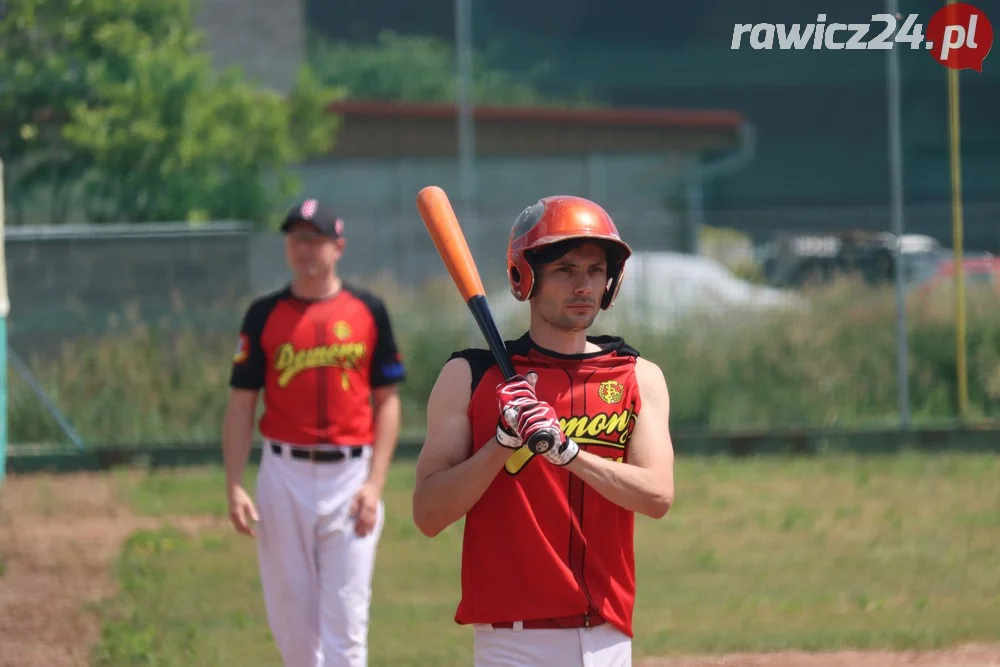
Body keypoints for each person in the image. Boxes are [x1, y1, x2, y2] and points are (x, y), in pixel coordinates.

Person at [412, 195, 675, 667]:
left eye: (595, 271)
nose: (583, 286)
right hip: (514, 641)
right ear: (525, 277)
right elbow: (429, 513)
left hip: (607, 639)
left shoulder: (637, 376)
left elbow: (657, 496)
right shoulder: (471, 377)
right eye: (566, 269)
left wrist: (570, 454)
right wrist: (501, 444)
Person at [222, 198, 407, 667]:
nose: (304, 249)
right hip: (283, 474)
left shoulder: (368, 310)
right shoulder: (264, 314)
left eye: (315, 239)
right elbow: (242, 402)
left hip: (351, 475)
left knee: (347, 626)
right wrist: (233, 485)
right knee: (295, 633)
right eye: (295, 239)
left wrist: (375, 484)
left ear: (338, 246)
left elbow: (387, 402)